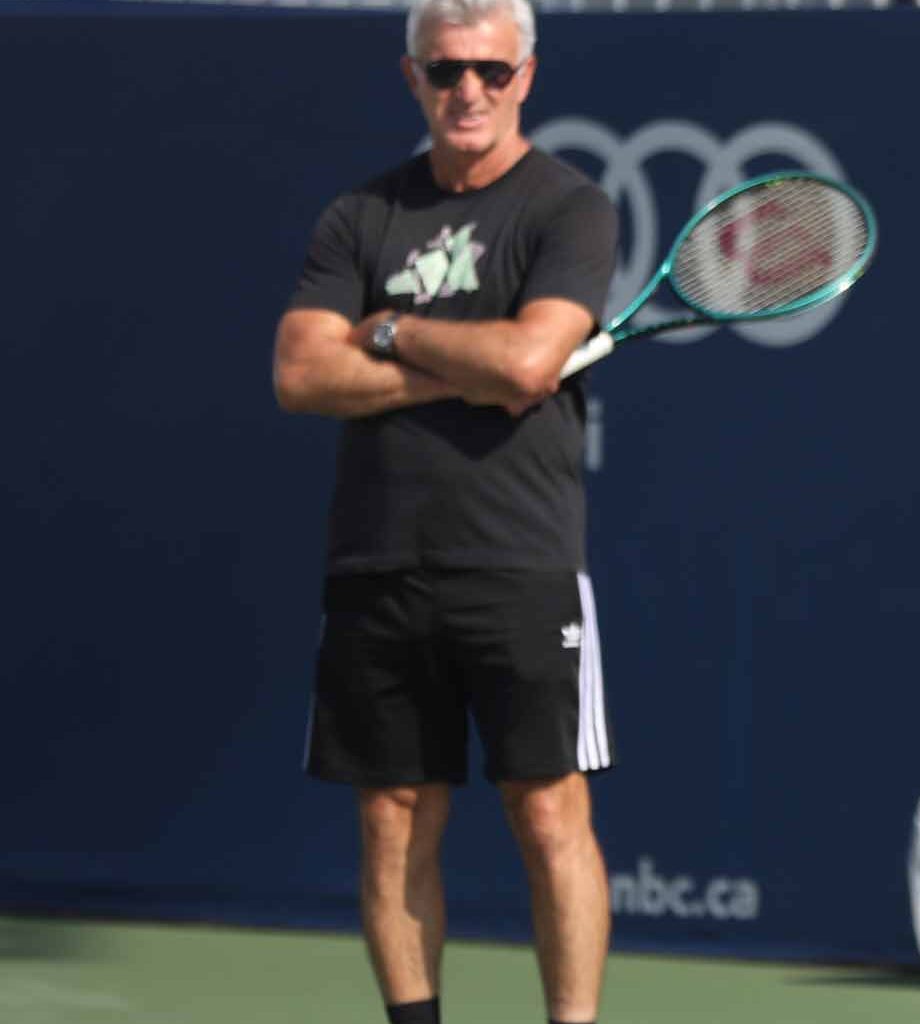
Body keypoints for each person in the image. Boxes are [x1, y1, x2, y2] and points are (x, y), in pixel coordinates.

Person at [272, 2, 619, 1022]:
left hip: (520, 559)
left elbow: (530, 360)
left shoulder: (570, 208)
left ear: (527, 75)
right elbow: (300, 371)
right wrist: (452, 359)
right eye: (445, 68)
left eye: (490, 70)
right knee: (391, 819)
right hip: (377, 560)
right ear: (412, 75)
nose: (468, 89)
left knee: (550, 811)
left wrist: (382, 334)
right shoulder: (360, 214)